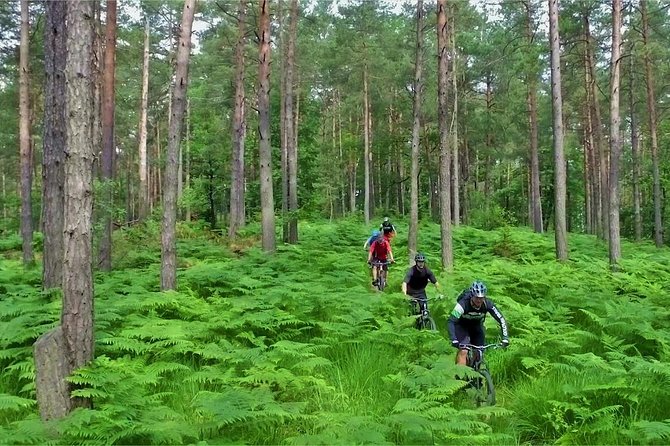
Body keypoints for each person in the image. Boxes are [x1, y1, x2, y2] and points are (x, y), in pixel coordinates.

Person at [447, 280, 509, 366]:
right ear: (472, 296)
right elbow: (451, 321)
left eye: (481, 298)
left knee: (479, 352)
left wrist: (505, 337)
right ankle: (460, 376)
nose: (479, 301)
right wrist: (453, 339)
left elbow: (501, 319)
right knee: (464, 351)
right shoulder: (463, 304)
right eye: (477, 298)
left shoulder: (488, 304)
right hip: (462, 327)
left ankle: (477, 373)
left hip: (476, 327)